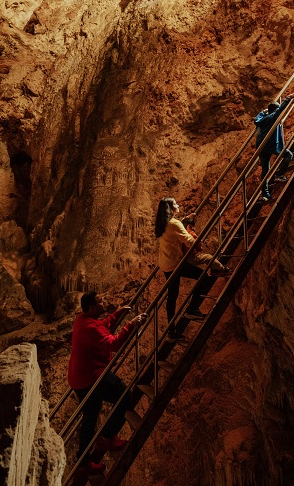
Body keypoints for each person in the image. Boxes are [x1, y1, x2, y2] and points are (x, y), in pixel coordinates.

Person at [67, 292, 146, 474]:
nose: (104, 302)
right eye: (100, 301)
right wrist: (131, 325)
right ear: (93, 307)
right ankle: (107, 438)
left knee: (91, 416)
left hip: (81, 377)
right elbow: (114, 343)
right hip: (91, 377)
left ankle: (84, 461)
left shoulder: (84, 320)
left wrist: (117, 314)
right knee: (124, 396)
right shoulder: (90, 327)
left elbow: (101, 327)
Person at [155, 197, 230, 328]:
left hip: (165, 263)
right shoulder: (174, 223)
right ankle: (192, 310)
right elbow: (188, 241)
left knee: (172, 296)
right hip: (175, 264)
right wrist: (198, 240)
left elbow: (175, 230)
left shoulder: (162, 223)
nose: (178, 205)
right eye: (175, 204)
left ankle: (171, 331)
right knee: (203, 278)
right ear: (171, 208)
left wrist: (184, 221)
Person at [254, 96, 294, 202]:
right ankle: (279, 175)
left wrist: (263, 111)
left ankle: (264, 194)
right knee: (288, 155)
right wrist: (288, 98)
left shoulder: (262, 119)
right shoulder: (273, 117)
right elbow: (281, 109)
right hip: (270, 144)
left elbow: (256, 120)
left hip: (261, 147)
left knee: (265, 170)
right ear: (275, 110)